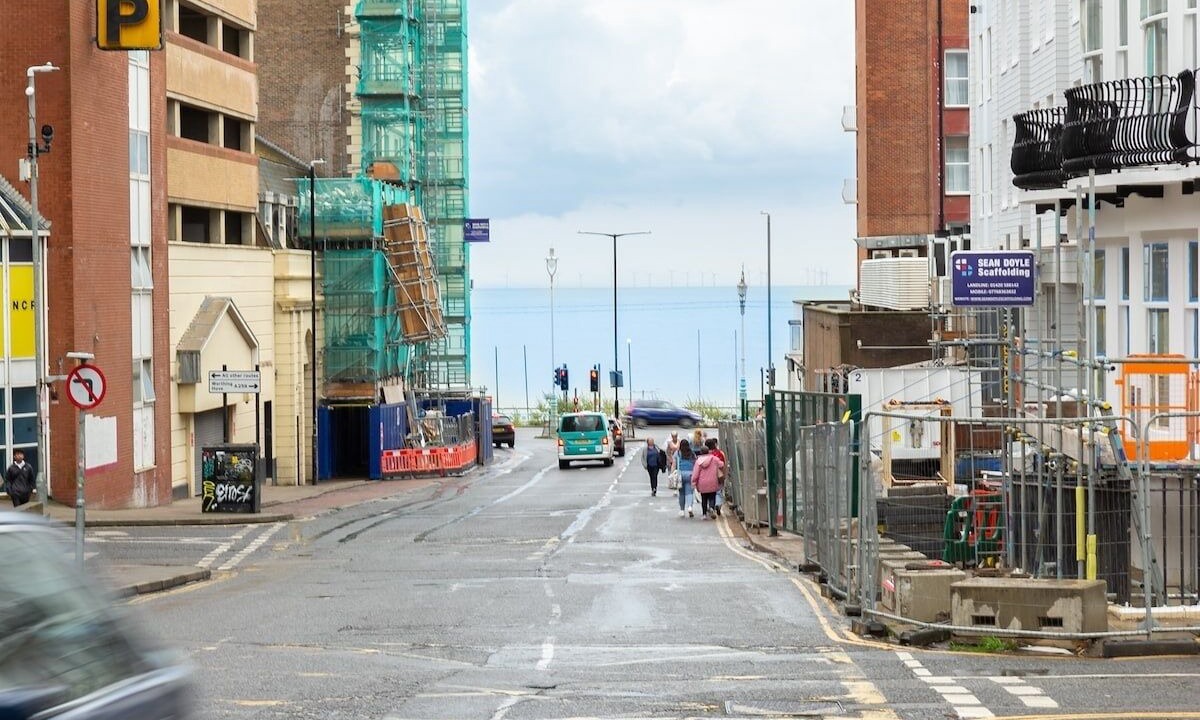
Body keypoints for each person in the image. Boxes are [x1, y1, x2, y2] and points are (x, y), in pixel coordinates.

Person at [692, 442, 725, 520]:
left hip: (702, 483)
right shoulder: (714, 459)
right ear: (708, 451)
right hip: (713, 481)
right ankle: (711, 508)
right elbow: (722, 464)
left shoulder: (698, 461)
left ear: (701, 452)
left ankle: (704, 515)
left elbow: (695, 473)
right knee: (712, 497)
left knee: (704, 498)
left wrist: (693, 482)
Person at [674, 439, 696, 517]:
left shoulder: (678, 453)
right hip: (690, 474)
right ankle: (689, 507)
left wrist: (673, 473)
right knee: (689, 492)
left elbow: (674, 464)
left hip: (680, 474)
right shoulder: (692, 453)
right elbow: (695, 464)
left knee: (681, 493)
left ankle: (682, 510)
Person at [706, 437, 728, 516]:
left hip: (708, 476)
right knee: (718, 491)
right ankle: (718, 504)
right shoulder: (720, 453)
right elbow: (724, 464)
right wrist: (724, 475)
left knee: (709, 492)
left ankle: (711, 506)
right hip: (719, 475)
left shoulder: (706, 454)